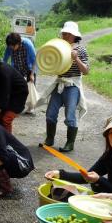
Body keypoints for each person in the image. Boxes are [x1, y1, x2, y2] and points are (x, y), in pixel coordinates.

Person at [44, 112, 112, 194]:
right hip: (109, 199)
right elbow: (87, 176)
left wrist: (99, 180)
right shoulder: (109, 155)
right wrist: (60, 174)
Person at [39, 21, 89, 152]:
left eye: (68, 33)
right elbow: (51, 65)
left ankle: (70, 143)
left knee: (70, 116)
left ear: (74, 35)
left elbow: (86, 71)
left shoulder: (81, 49)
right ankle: (49, 139)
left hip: (72, 86)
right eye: (64, 33)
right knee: (50, 113)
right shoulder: (58, 47)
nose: (65, 35)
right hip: (59, 83)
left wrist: (76, 58)